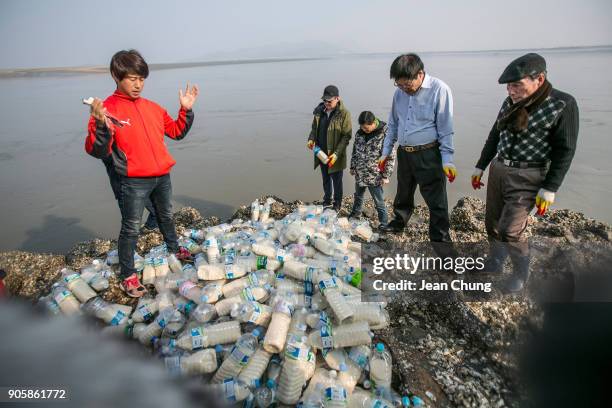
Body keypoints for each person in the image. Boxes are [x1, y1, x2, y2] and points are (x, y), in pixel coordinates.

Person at [84, 49, 199, 297]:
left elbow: (177, 131)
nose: (138, 85)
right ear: (116, 75)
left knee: (166, 215)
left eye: (142, 79)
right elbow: (96, 150)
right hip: (132, 180)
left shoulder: (153, 108)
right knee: (131, 228)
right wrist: (102, 126)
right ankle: (128, 275)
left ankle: (175, 249)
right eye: (132, 79)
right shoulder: (107, 110)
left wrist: (186, 110)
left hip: (161, 175)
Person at [471, 53, 579, 292]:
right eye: (508, 86)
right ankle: (496, 260)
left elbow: (566, 150)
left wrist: (550, 188)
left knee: (511, 230)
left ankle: (521, 273)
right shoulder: (509, 102)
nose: (511, 91)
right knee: (492, 223)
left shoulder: (562, 104)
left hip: (530, 174)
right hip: (499, 169)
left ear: (539, 79)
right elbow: (495, 135)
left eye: (517, 85)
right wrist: (480, 166)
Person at [379, 54, 457, 245]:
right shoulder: (399, 94)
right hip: (405, 152)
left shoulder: (440, 90)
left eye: (407, 85)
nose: (404, 89)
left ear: (420, 74)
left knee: (436, 200)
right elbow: (393, 124)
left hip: (428, 154)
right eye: (399, 85)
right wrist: (385, 152)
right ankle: (399, 221)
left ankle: (441, 241)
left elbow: (446, 129)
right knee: (403, 190)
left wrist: (447, 160)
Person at [307, 85, 352, 212]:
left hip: (335, 155)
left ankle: (337, 204)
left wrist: (337, 154)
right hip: (321, 152)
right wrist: (311, 139)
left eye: (329, 101)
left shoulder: (344, 114)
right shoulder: (319, 112)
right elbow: (314, 129)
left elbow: (346, 136)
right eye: (325, 100)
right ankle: (327, 200)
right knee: (325, 179)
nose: (326, 103)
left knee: (337, 181)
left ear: (337, 98)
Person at [348, 111, 396, 228]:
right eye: (362, 127)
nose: (364, 130)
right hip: (360, 172)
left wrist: (386, 176)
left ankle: (384, 223)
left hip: (375, 175)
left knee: (378, 201)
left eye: (366, 128)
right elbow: (355, 151)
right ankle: (355, 215)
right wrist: (353, 166)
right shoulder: (359, 134)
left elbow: (391, 157)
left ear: (373, 122)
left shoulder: (384, 135)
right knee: (358, 196)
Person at [102, 155, 158, 231]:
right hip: (125, 188)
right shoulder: (111, 152)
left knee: (157, 211)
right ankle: (143, 231)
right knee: (130, 222)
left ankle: (148, 229)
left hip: (141, 184)